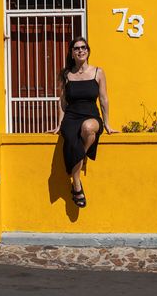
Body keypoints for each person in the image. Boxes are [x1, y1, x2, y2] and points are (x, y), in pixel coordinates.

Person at [49, 37, 117, 208]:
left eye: (83, 47)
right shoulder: (66, 75)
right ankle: (77, 179)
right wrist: (59, 124)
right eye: (77, 48)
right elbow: (62, 101)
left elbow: (104, 99)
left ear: (88, 51)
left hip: (91, 115)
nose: (81, 50)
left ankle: (76, 175)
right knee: (71, 138)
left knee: (88, 128)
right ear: (72, 53)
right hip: (71, 117)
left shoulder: (98, 72)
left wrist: (107, 123)